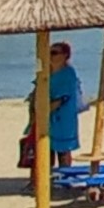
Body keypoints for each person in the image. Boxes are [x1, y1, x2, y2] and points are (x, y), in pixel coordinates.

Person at [20, 42, 84, 170]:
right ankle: (46, 176)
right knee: (44, 148)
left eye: (54, 53)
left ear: (65, 55)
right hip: (44, 114)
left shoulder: (67, 74)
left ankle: (64, 175)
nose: (50, 56)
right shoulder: (46, 71)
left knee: (63, 150)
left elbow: (62, 98)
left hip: (62, 117)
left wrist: (43, 111)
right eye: (48, 52)